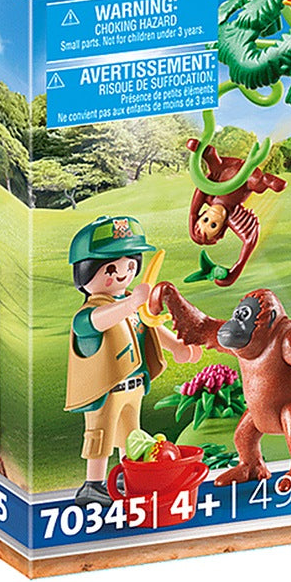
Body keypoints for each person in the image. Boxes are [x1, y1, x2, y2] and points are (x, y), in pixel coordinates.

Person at [64, 216, 201, 507]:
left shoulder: (131, 305)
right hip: (106, 389)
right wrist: (130, 304)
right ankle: (93, 484)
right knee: (100, 435)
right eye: (110, 269)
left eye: (129, 266)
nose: (122, 275)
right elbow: (99, 321)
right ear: (85, 272)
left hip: (134, 384)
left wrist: (177, 347)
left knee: (132, 434)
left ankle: (129, 474)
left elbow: (150, 326)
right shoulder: (89, 314)